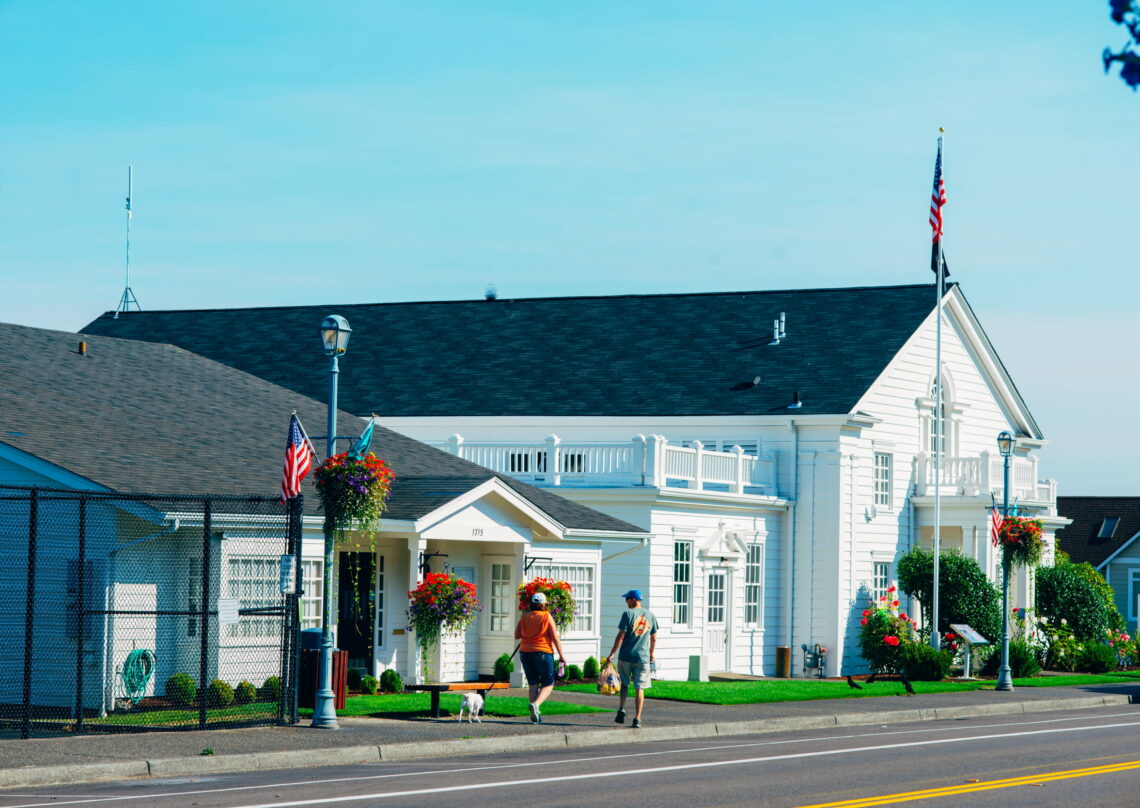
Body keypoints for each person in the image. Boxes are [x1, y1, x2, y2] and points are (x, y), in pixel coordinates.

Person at [604, 589, 658, 728]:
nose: (626, 601)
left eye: (627, 598)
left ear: (633, 599)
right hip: (642, 658)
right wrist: (652, 654)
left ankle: (622, 707)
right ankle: (637, 718)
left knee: (624, 684)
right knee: (640, 688)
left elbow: (621, 635)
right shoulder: (650, 615)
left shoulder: (628, 614)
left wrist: (612, 653)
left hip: (626, 656)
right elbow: (653, 638)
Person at [514, 591, 566, 724]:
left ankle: (535, 716)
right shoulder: (547, 616)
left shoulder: (524, 616)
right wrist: (561, 655)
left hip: (525, 652)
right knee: (548, 683)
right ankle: (536, 704)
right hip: (543, 652)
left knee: (533, 683)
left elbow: (517, 635)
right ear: (543, 604)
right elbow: (555, 637)